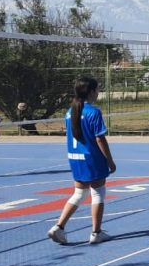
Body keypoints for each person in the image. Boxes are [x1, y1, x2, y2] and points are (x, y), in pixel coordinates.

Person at [47, 77, 116, 245]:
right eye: (98, 89)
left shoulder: (71, 111)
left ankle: (59, 227)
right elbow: (100, 139)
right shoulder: (93, 112)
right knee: (98, 193)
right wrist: (110, 160)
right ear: (91, 91)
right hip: (92, 158)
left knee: (79, 193)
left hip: (75, 157)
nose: (98, 92)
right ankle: (96, 232)